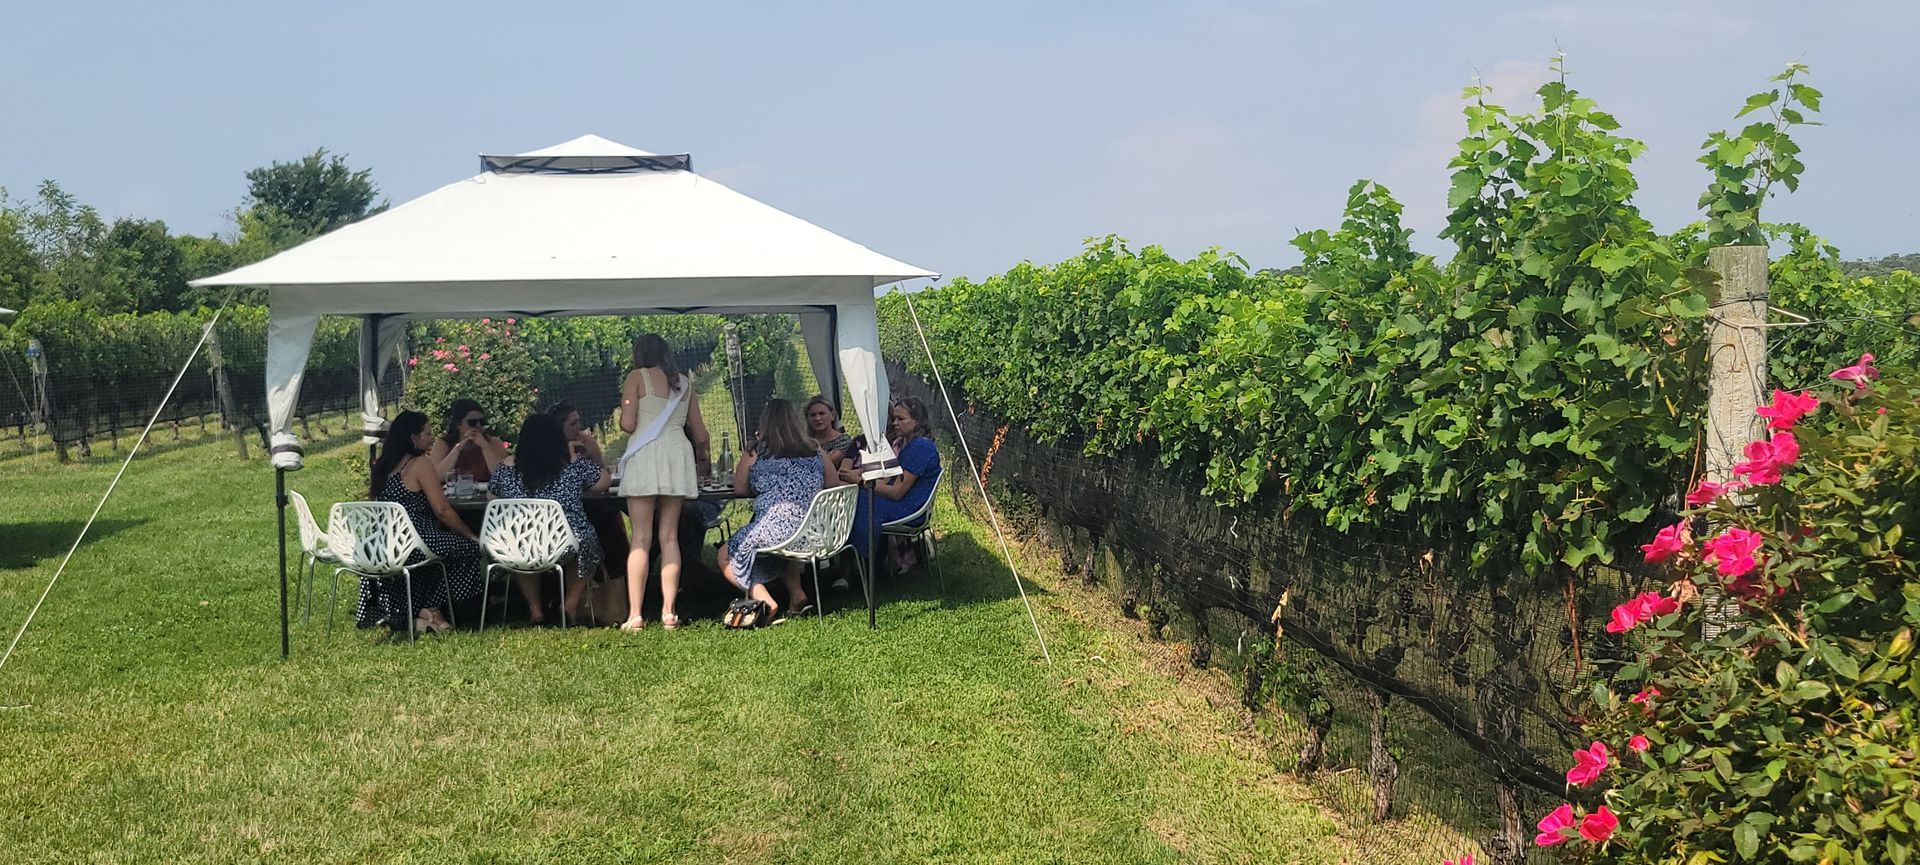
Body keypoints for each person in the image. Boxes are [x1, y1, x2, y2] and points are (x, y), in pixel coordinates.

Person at [616, 333, 711, 631]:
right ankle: (669, 612)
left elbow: (628, 424)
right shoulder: (684, 382)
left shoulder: (635, 377)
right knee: (669, 537)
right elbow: (701, 434)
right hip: (676, 454)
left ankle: (635, 614)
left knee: (640, 537)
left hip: (646, 455)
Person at [360, 410, 486, 634]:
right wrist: (470, 535)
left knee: (441, 548)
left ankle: (417, 610)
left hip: (379, 544)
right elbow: (443, 510)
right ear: (413, 438)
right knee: (467, 548)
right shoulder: (419, 464)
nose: (431, 437)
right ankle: (434, 607)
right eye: (427, 433)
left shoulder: (382, 465)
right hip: (413, 541)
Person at [491, 413, 611, 625]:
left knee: (521, 545)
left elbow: (492, 495)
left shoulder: (507, 467)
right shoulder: (572, 463)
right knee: (586, 540)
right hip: (564, 543)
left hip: (519, 544)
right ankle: (569, 604)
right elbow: (603, 483)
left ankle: (536, 610)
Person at [719, 398, 826, 621]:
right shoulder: (815, 450)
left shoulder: (757, 451)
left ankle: (764, 600)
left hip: (778, 529)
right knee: (779, 537)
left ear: (765, 423)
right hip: (814, 530)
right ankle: (797, 595)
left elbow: (739, 488)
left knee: (725, 554)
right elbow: (833, 485)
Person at [841, 396, 942, 573]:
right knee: (859, 497)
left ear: (917, 421)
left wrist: (860, 481)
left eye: (901, 419)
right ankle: (866, 562)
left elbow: (897, 492)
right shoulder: (911, 444)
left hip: (910, 508)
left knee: (860, 502)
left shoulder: (921, 447)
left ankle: (865, 561)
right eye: (894, 418)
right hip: (903, 503)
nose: (894, 423)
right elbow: (888, 480)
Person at [429, 398, 509, 483]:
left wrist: (485, 447)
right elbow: (435, 477)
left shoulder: (493, 443)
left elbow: (503, 476)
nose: (478, 426)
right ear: (458, 425)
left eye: (482, 422)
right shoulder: (443, 445)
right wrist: (458, 448)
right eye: (472, 422)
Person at [803, 394, 856, 477]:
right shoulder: (804, 443)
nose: (817, 418)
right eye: (813, 415)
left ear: (832, 416)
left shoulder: (843, 440)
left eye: (822, 413)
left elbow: (825, 464)